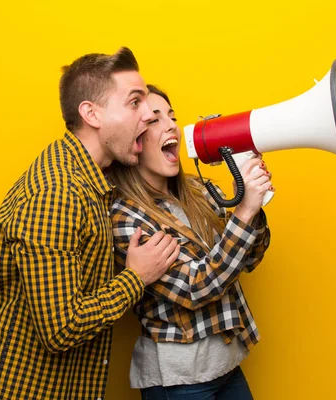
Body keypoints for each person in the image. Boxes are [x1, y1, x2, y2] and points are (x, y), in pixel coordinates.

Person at [0, 48, 180, 400]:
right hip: (30, 391)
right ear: (91, 114)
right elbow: (61, 329)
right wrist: (136, 277)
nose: (148, 116)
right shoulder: (57, 194)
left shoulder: (92, 178)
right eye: (134, 103)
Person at [109, 85, 272, 399]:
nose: (172, 125)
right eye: (154, 120)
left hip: (227, 365)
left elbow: (249, 259)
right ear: (134, 142)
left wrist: (255, 203)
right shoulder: (126, 218)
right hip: (179, 381)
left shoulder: (199, 190)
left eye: (172, 117)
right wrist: (245, 209)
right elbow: (197, 287)